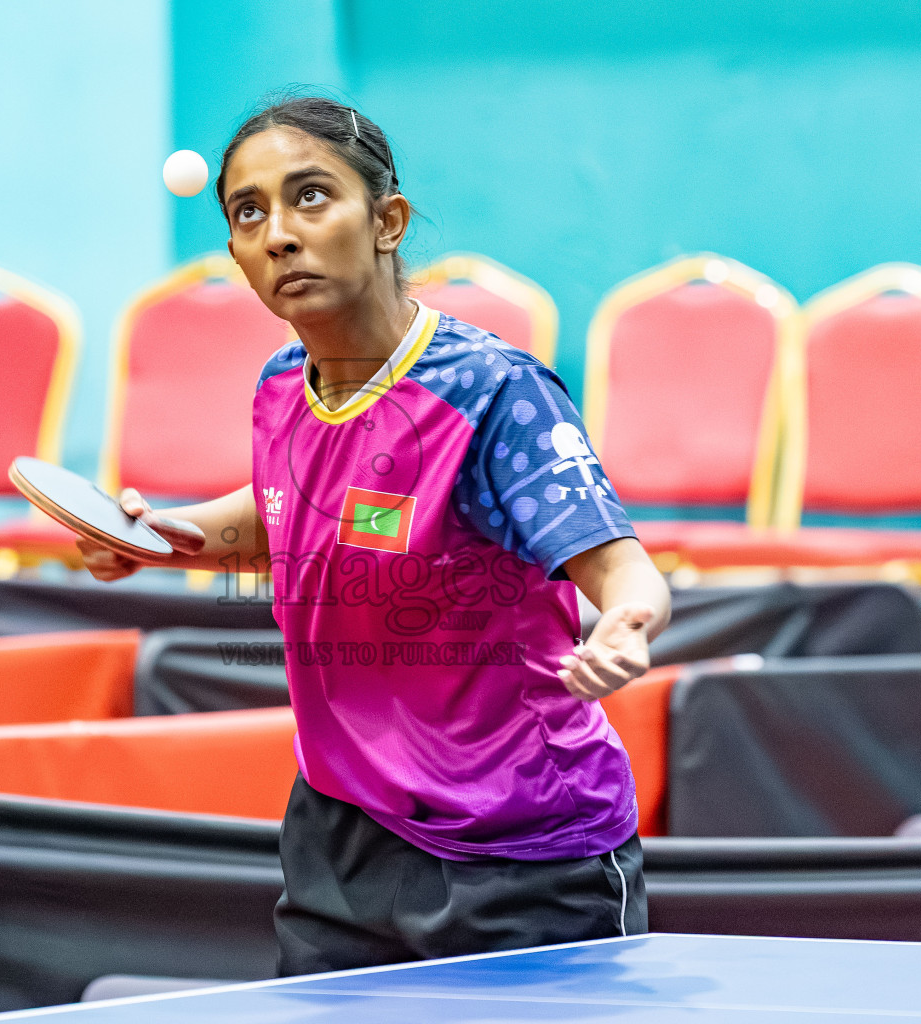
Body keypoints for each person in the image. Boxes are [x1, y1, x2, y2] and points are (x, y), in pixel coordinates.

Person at [79, 95, 671, 976]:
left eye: (311, 196)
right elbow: (291, 510)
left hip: (518, 849)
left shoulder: (491, 393)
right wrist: (171, 536)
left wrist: (627, 622)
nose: (280, 233)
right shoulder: (284, 384)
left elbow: (624, 571)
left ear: (387, 220)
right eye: (250, 212)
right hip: (340, 826)